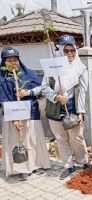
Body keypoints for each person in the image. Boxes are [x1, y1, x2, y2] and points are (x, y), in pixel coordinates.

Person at [42, 35, 92, 180]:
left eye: (72, 50)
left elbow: (83, 91)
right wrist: (56, 96)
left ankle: (83, 161)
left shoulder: (81, 69)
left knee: (77, 137)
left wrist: (81, 112)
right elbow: (44, 87)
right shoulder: (52, 68)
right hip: (54, 108)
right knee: (61, 138)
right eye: (66, 51)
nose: (70, 54)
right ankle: (68, 166)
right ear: (60, 52)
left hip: (73, 107)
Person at [0, 46, 51, 181]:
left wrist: (28, 92)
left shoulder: (28, 74)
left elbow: (42, 87)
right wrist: (14, 119)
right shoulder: (2, 78)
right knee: (17, 140)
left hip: (31, 112)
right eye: (9, 60)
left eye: (15, 60)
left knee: (33, 139)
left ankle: (37, 164)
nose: (12, 63)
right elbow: (3, 99)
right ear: (4, 62)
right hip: (12, 115)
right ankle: (20, 168)